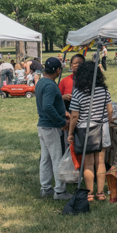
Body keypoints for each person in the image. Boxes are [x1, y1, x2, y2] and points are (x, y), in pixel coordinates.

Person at [67, 61, 113, 202]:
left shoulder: (78, 92)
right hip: (102, 127)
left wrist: (70, 133)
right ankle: (101, 192)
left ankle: (89, 193)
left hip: (85, 130)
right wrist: (107, 122)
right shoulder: (104, 90)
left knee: (87, 163)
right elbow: (110, 110)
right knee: (101, 162)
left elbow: (75, 116)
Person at [35, 57, 71, 200]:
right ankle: (60, 191)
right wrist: (61, 122)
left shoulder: (41, 82)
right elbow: (47, 106)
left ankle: (45, 188)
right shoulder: (50, 85)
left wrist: (62, 109)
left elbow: (49, 103)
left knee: (46, 158)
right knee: (57, 158)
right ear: (57, 70)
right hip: (51, 126)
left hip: (43, 125)